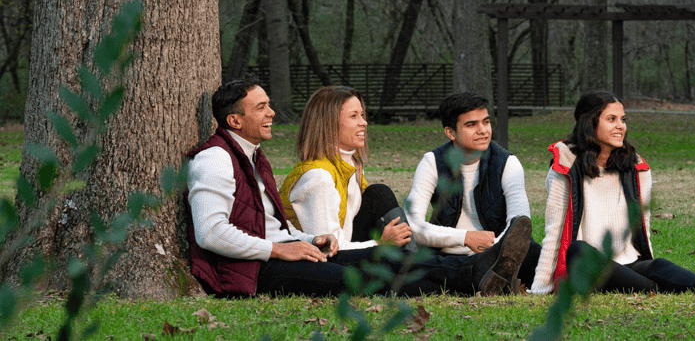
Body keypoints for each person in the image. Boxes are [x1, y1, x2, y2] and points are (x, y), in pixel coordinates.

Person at [186, 77, 532, 297]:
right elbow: (210, 233)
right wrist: (282, 249)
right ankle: (476, 274)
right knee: (369, 274)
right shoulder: (215, 159)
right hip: (256, 268)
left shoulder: (252, 157)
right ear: (235, 120)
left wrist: (305, 240)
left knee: (387, 259)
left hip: (289, 250)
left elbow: (274, 226)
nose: (272, 113)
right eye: (261, 107)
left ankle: (478, 274)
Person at [529, 89, 695, 295]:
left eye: (623, 119)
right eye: (611, 119)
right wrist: (540, 288)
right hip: (589, 267)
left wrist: (648, 264)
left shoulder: (636, 168)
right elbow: (554, 232)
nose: (620, 126)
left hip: (628, 262)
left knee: (657, 265)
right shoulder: (565, 165)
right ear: (590, 123)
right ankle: (667, 289)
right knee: (578, 251)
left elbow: (643, 227)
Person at [405, 92, 541, 291]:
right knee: (403, 257)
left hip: (497, 257)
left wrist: (493, 252)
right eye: (471, 125)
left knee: (532, 251)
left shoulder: (507, 163)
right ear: (450, 133)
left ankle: (476, 279)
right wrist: (465, 237)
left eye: (485, 122)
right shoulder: (432, 162)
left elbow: (519, 226)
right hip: (445, 256)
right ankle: (481, 280)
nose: (483, 130)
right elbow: (413, 224)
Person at [278, 85, 412, 252]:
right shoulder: (318, 178)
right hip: (323, 265)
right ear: (329, 124)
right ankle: (415, 266)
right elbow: (329, 249)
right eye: (353, 116)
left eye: (362, 115)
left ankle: (414, 261)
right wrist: (381, 245)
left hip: (346, 249)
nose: (364, 123)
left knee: (379, 193)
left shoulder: (351, 166)